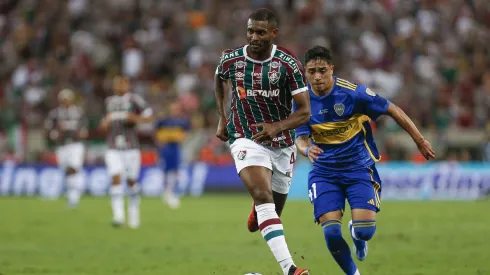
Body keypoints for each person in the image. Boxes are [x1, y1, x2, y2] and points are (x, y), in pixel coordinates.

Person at [294, 46, 435, 275]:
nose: (317, 76)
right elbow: (299, 137)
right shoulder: (302, 100)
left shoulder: (353, 93)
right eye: (312, 71)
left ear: (332, 69)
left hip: (358, 168)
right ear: (306, 73)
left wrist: (419, 140)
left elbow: (393, 109)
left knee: (365, 231)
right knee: (330, 232)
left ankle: (357, 234)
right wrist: (306, 148)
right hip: (324, 172)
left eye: (322, 70)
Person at [214, 8, 311, 275]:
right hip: (245, 137)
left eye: (260, 32)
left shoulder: (288, 63)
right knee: (262, 195)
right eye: (250, 31)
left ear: (273, 34)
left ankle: (259, 210)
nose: (253, 37)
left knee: (273, 207)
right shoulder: (231, 60)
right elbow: (219, 79)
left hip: (282, 143)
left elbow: (305, 111)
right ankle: (290, 269)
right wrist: (223, 118)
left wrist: (276, 127)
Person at [99, 76, 154, 229]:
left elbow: (149, 117)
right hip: (113, 147)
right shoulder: (109, 102)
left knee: (131, 181)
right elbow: (103, 123)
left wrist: (134, 118)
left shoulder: (135, 100)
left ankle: (133, 210)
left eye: (123, 83)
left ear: (128, 86)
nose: (120, 86)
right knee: (115, 177)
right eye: (117, 83)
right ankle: (118, 216)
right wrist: (104, 124)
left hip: (131, 148)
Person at [44, 88, 88, 208]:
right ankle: (72, 193)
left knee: (73, 167)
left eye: (67, 99)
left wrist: (81, 132)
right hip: (62, 146)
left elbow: (84, 129)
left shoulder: (79, 112)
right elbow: (48, 129)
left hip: (75, 144)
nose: (66, 101)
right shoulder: (55, 114)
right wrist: (53, 134)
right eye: (63, 99)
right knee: (67, 171)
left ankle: (74, 198)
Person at [155, 102, 190, 209]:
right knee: (165, 170)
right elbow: (157, 132)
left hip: (175, 148)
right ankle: (166, 192)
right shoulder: (164, 121)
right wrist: (161, 140)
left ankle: (170, 191)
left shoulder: (182, 121)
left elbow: (184, 134)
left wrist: (176, 137)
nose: (174, 110)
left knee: (174, 170)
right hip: (166, 148)